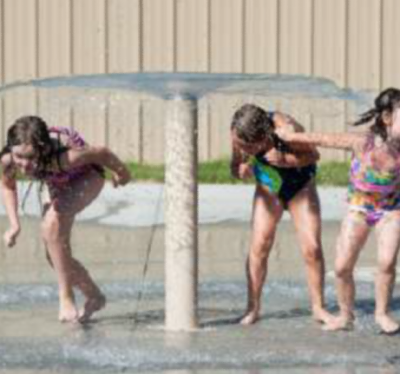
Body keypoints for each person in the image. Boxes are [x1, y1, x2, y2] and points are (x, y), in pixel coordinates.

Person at [276, 88, 400, 334]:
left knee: (386, 262)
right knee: (342, 267)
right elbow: (324, 138)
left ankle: (381, 313)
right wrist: (291, 137)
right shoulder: (362, 142)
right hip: (359, 209)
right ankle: (345, 315)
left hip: (391, 209)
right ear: (387, 118)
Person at [0, 115, 131, 323]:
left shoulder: (65, 157)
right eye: (19, 157)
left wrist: (123, 174)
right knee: (55, 254)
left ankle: (66, 298)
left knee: (51, 225)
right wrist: (14, 224)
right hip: (56, 180)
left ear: (42, 149)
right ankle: (94, 296)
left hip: (87, 177)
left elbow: (101, 153)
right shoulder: (8, 159)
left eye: (31, 157)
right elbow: (7, 185)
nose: (24, 165)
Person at [230, 103, 333, 326]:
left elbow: (314, 155)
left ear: (263, 138)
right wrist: (240, 170)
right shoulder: (239, 131)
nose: (242, 150)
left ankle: (318, 307)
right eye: (240, 145)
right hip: (268, 187)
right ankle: (253, 308)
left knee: (312, 248)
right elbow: (235, 166)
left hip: (300, 186)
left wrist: (287, 160)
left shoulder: (287, 130)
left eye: (247, 147)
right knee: (259, 245)